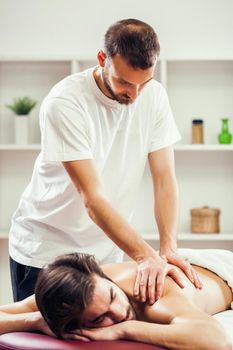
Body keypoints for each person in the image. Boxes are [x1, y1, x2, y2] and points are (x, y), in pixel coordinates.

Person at [9, 18, 201, 303]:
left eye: (143, 83)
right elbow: (93, 199)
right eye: (124, 81)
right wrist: (145, 256)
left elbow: (164, 180)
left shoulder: (156, 97)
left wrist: (168, 249)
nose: (134, 95)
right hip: (46, 252)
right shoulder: (66, 102)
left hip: (105, 253)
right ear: (102, 58)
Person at [0, 250, 232, 349]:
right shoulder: (67, 296)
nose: (120, 312)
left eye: (113, 296)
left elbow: (217, 342)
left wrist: (126, 329)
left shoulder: (151, 296)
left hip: (223, 270)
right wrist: (35, 321)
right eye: (100, 318)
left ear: (103, 277)